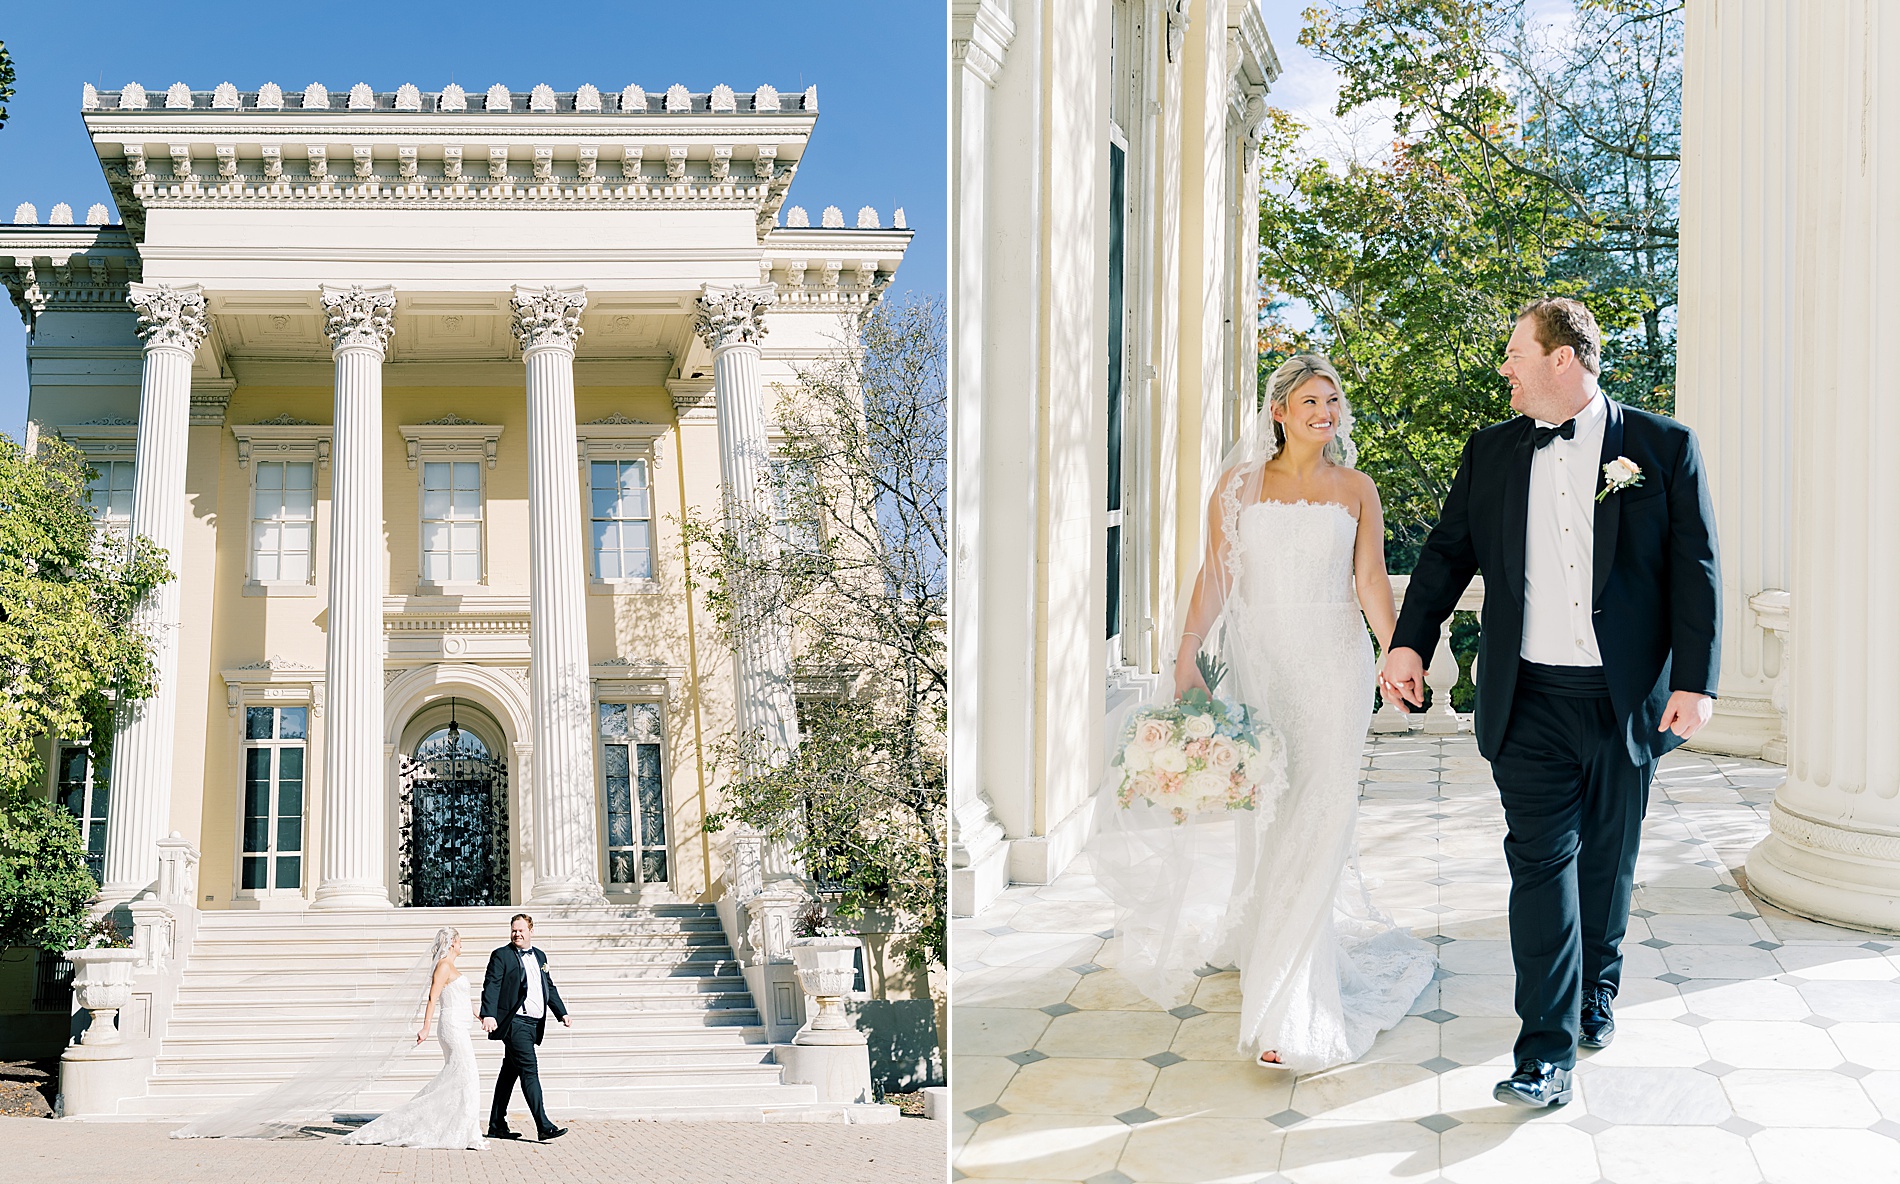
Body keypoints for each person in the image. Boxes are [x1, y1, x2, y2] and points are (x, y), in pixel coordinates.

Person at [1381, 297, 1720, 1108]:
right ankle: (1544, 1052)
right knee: (1540, 865)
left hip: (1624, 697)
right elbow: (1445, 555)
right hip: (1525, 695)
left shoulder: (1664, 447)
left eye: (1515, 354)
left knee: (1606, 861)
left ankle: (1598, 983)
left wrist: (1697, 680)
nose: (1504, 368)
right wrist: (1407, 642)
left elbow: (1696, 570)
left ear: (1562, 360)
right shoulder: (1492, 450)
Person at [1091, 353, 1437, 1075]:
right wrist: (1186, 655)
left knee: (1324, 814)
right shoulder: (1240, 487)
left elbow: (1370, 579)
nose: (1325, 412)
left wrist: (1394, 653)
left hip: (1334, 667)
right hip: (1266, 667)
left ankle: (1291, 1004)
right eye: (1310, 400)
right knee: (1278, 815)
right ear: (1279, 412)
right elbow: (1216, 575)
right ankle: (1273, 947)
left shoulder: (1357, 489)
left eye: (1333, 400)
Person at [340, 927, 486, 1149]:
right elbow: (432, 997)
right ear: (453, 943)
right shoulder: (444, 966)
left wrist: (481, 1016)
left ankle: (461, 1129)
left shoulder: (452, 966)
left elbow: (465, 999)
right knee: (469, 1076)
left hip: (461, 1026)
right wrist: (425, 1027)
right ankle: (466, 1132)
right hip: (452, 1028)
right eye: (460, 941)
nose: (461, 945)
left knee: (458, 1078)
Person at [479, 913, 569, 1141]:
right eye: (513, 930)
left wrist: (562, 1012)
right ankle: (544, 1125)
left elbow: (548, 986)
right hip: (515, 1023)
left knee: (509, 1074)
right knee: (529, 1071)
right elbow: (491, 985)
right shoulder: (501, 955)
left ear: (531, 931)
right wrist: (488, 1014)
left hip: (533, 1025)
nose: (517, 934)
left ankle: (497, 1124)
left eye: (521, 930)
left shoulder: (540, 956)